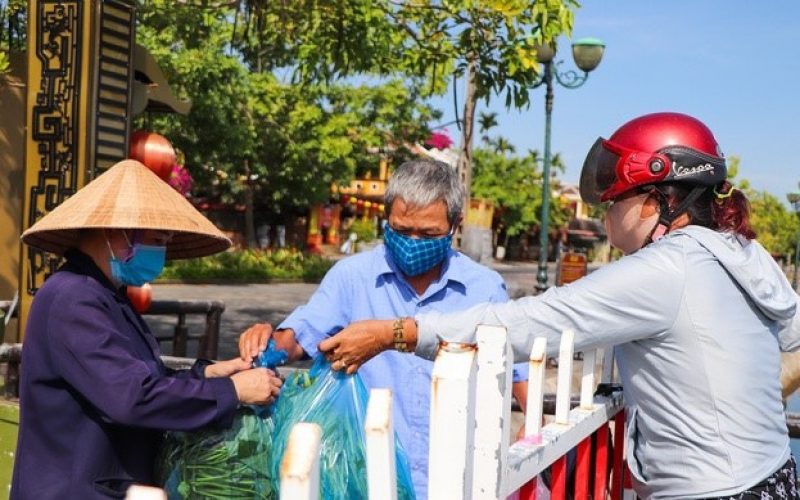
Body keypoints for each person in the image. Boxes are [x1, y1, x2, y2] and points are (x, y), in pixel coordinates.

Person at [319, 113, 800, 499]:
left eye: (613, 202)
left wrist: (399, 332)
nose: (604, 213)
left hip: (711, 490)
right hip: (775, 473)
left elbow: (527, 323)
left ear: (655, 201)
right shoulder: (740, 251)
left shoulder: (664, 269)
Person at [238, 159, 529, 500]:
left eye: (429, 234)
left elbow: (520, 379)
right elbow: (301, 334)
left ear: (455, 225)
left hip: (458, 480)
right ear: (386, 218)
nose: (413, 242)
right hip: (369, 476)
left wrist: (530, 429)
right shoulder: (352, 277)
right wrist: (267, 339)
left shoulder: (485, 289)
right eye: (402, 231)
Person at [11, 160, 282, 499]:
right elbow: (131, 397)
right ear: (115, 231)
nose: (161, 252)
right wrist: (232, 392)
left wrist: (211, 375)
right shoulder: (73, 298)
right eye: (156, 239)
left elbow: (142, 379)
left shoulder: (107, 296)